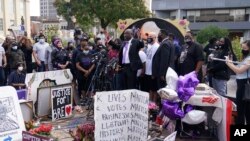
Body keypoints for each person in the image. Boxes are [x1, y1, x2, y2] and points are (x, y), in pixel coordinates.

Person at [226, 40, 250, 125]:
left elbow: (239, 71)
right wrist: (231, 62)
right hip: (241, 84)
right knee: (244, 109)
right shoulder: (246, 58)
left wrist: (229, 63)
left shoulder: (249, 59)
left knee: (242, 109)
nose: (242, 49)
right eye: (242, 47)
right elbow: (237, 68)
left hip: (244, 85)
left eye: (244, 48)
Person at [76, 38, 95, 103]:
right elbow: (77, 65)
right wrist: (85, 71)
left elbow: (93, 64)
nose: (88, 47)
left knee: (89, 85)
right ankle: (84, 98)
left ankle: (89, 98)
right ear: (83, 47)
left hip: (90, 73)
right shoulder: (79, 55)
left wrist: (89, 71)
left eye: (88, 45)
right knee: (82, 86)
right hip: (82, 73)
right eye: (86, 46)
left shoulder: (91, 54)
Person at [145, 32, 159, 101]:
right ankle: (150, 101)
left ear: (155, 38)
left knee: (154, 88)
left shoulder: (156, 46)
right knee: (150, 88)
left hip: (152, 72)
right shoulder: (149, 46)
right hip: (148, 71)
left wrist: (154, 72)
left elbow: (156, 61)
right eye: (148, 36)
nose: (149, 38)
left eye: (151, 37)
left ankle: (154, 103)